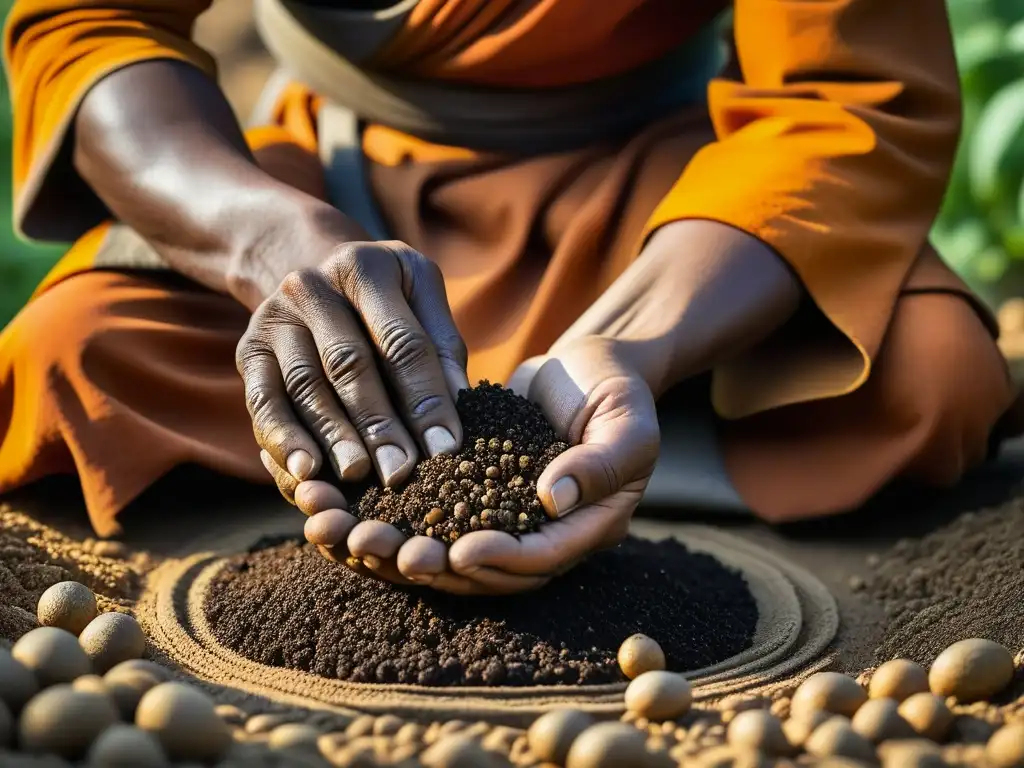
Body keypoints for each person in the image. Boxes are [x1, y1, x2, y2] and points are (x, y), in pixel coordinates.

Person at [0, 0, 1018, 594]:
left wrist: (632, 346)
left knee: (930, 373)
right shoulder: (288, 230)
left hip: (676, 210)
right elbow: (90, 25)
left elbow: (843, 100)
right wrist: (270, 241)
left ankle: (594, 420)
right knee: (70, 355)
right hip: (328, 201)